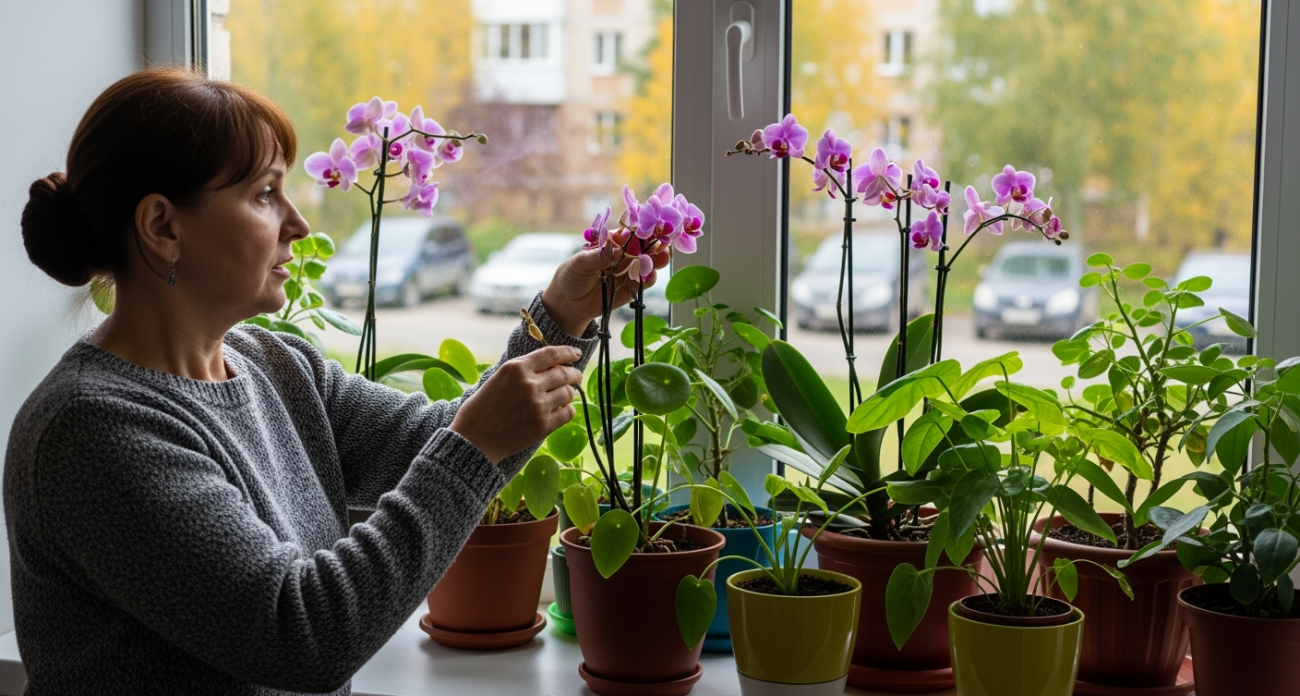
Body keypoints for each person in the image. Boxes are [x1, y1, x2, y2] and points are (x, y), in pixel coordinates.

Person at [5, 68, 661, 695]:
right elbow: (304, 634)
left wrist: (563, 315)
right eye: (265, 194)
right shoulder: (91, 432)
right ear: (163, 227)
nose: (299, 223)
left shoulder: (270, 363)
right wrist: (475, 448)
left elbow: (436, 440)